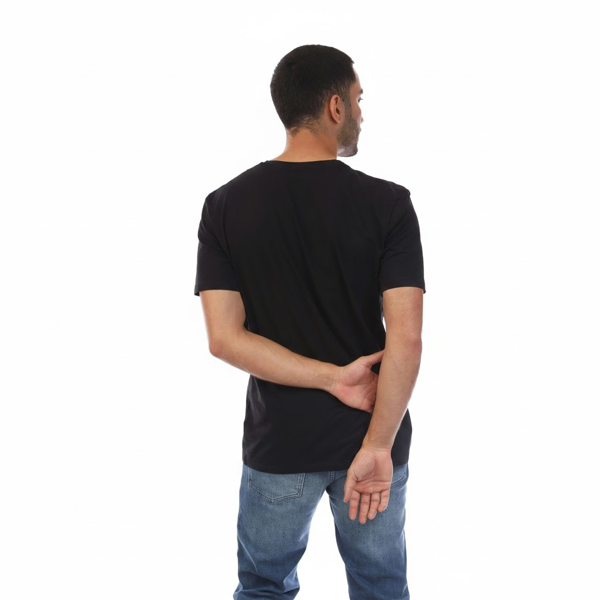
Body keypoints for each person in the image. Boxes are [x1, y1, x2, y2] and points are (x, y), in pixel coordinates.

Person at [194, 44, 425, 600]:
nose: (362, 112)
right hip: (370, 435)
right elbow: (407, 338)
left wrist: (329, 378)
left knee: (264, 588)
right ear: (335, 106)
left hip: (280, 442)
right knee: (380, 588)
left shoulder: (225, 204)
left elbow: (224, 338)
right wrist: (378, 445)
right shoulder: (388, 204)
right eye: (359, 100)